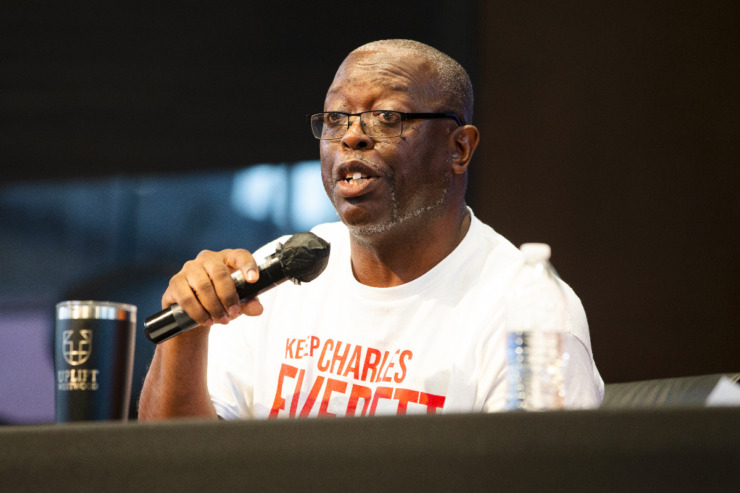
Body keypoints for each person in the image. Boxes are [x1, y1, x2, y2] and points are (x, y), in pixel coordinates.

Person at [138, 39, 603, 420]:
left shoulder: (524, 308)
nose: (352, 136)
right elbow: (172, 468)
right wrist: (189, 334)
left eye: (387, 117)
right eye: (336, 118)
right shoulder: (282, 270)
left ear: (459, 148)